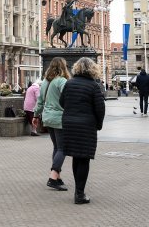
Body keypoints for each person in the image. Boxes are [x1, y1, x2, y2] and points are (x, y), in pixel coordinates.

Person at [60, 57, 105, 205]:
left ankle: (78, 191)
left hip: (69, 124)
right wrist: (98, 124)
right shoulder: (93, 86)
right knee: (84, 158)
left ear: (77, 68)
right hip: (86, 126)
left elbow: (62, 102)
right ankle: (79, 194)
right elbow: (100, 108)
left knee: (75, 157)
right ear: (93, 69)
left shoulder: (69, 83)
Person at [33, 57, 70, 191]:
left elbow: (40, 101)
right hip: (59, 118)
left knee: (56, 147)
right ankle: (53, 177)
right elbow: (68, 97)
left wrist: (36, 115)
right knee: (63, 148)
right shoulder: (62, 81)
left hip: (47, 118)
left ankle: (57, 176)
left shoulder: (45, 82)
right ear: (63, 67)